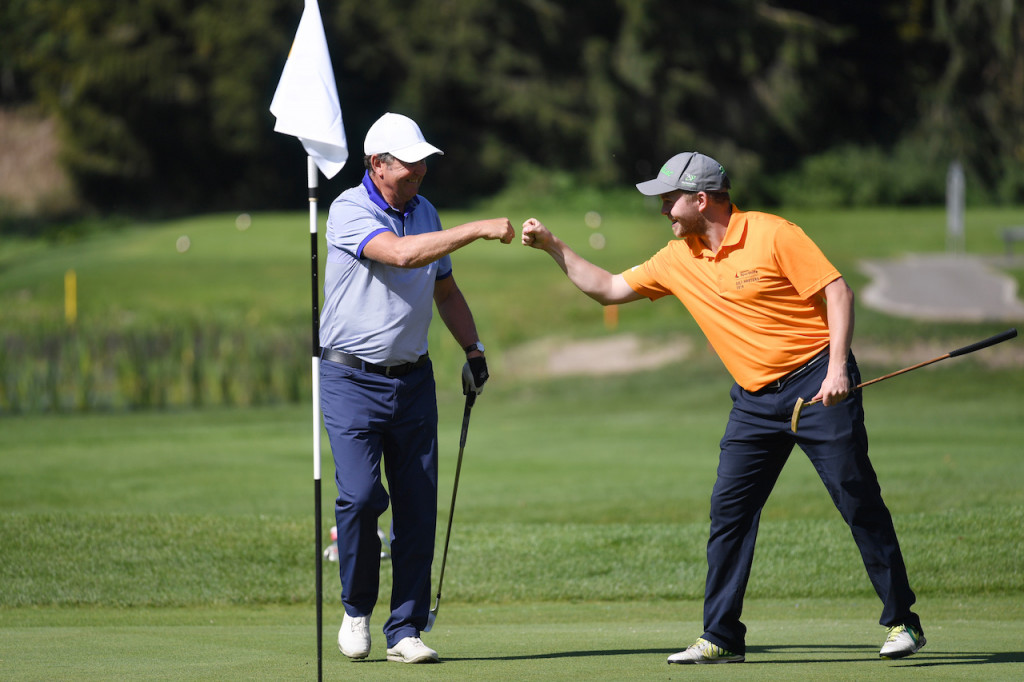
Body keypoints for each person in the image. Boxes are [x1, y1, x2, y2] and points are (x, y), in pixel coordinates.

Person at [521, 152, 925, 664]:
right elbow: (607, 289)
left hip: (818, 383)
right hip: (754, 402)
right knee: (729, 512)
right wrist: (553, 246)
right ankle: (720, 635)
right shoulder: (676, 258)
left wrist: (839, 367)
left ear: (701, 199)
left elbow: (838, 293)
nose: (663, 208)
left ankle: (901, 621)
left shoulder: (773, 234)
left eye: (670, 199)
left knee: (856, 498)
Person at [320, 112, 514, 664]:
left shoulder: (424, 211)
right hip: (349, 377)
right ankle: (356, 608)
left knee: (416, 507)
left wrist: (473, 350)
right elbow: (401, 255)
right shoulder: (349, 210)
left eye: (423, 161)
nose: (420, 171)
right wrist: (477, 227)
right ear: (377, 165)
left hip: (413, 380)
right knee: (359, 497)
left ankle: (404, 629)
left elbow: (445, 291)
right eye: (408, 163)